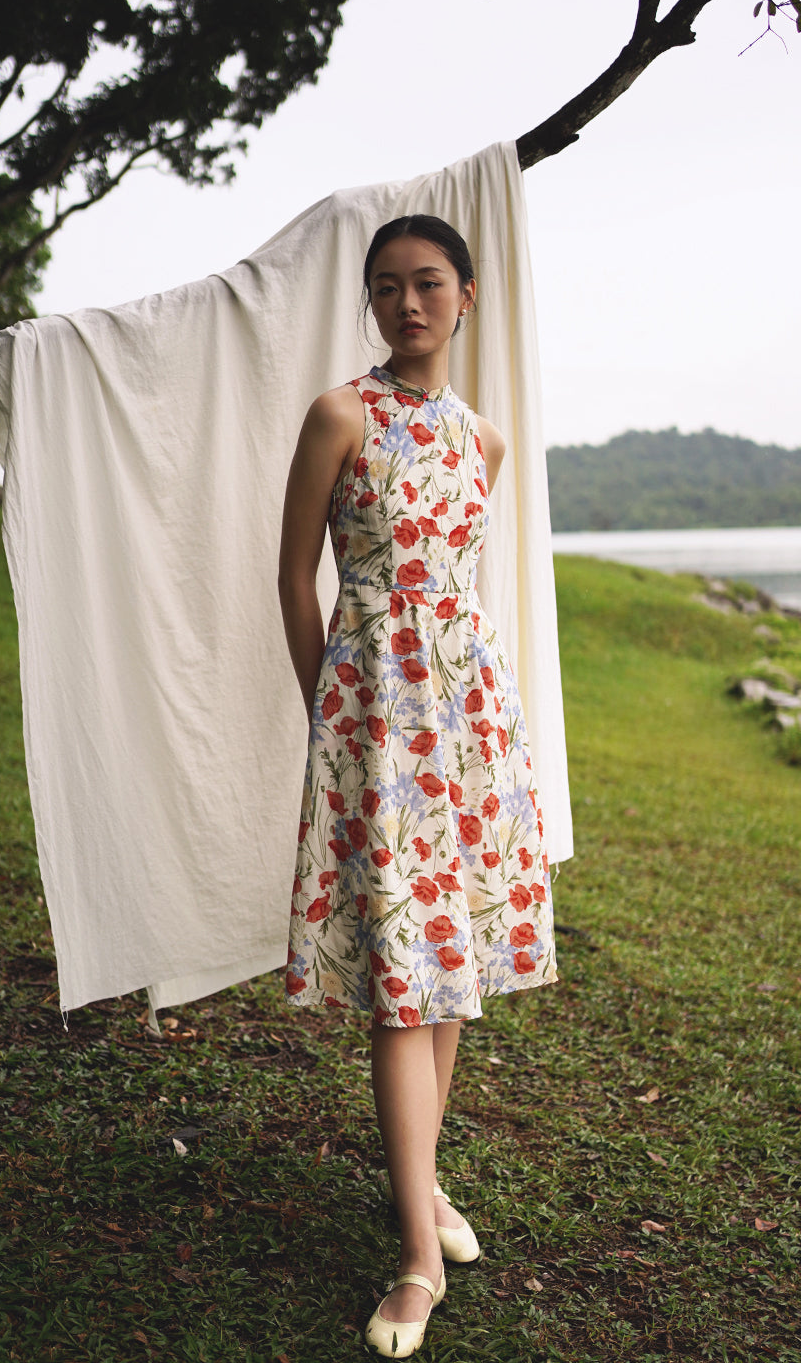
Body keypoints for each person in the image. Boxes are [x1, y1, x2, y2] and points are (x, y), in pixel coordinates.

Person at [277, 214, 557, 1358]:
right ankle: (416, 1254)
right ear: (371, 302)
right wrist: (328, 712)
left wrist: (467, 715)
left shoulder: (482, 441)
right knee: (402, 979)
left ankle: (424, 1188)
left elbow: (461, 593)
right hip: (373, 720)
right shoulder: (341, 414)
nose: (408, 304)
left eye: (428, 283)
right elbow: (293, 574)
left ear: (466, 294)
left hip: (469, 721)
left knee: (445, 972)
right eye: (387, 286)